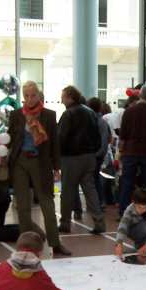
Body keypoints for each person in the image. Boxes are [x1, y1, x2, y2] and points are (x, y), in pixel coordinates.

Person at [8, 81, 70, 256]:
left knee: (47, 204)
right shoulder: (16, 115)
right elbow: (11, 139)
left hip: (41, 162)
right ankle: (27, 246)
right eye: (26, 95)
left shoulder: (49, 115)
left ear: (38, 95)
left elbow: (55, 144)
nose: (29, 99)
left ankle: (55, 244)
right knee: (23, 207)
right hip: (20, 161)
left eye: (32, 95)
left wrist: (57, 167)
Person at [57, 86, 105, 234]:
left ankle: (65, 223)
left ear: (70, 97)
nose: (61, 99)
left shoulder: (68, 114)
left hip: (72, 157)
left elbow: (61, 137)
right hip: (89, 157)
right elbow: (98, 136)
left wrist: (57, 156)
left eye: (63, 96)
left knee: (67, 191)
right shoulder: (90, 112)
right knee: (90, 190)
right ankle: (99, 222)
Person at [118, 85, 146, 216]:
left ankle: (124, 212)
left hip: (130, 152)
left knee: (127, 183)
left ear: (140, 95)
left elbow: (123, 136)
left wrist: (120, 154)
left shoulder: (129, 111)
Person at [87, 96, 112, 207]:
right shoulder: (100, 122)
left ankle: (98, 202)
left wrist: (97, 154)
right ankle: (97, 202)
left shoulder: (98, 122)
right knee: (94, 179)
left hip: (95, 155)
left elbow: (103, 141)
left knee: (94, 179)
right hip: (96, 155)